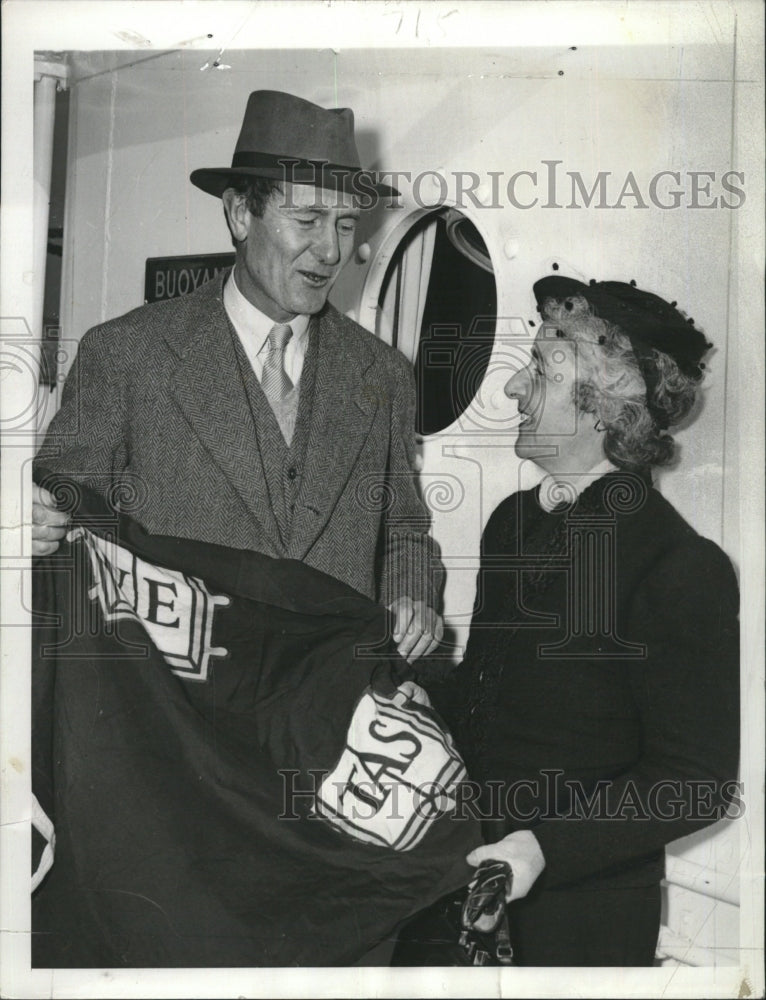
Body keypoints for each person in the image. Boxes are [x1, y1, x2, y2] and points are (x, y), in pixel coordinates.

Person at [393, 275, 740, 966]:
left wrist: (543, 849)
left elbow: (695, 781)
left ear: (606, 410)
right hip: (459, 881)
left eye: (542, 371)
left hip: (579, 926)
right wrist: (420, 696)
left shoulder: (678, 565)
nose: (514, 390)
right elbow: (495, 694)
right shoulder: (513, 523)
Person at [32, 89, 443, 662]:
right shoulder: (125, 355)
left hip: (325, 706)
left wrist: (412, 595)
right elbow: (54, 516)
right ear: (240, 213)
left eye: (346, 224)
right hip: (179, 713)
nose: (331, 250)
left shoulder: (384, 376)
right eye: (308, 219)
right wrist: (29, 526)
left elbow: (404, 531)